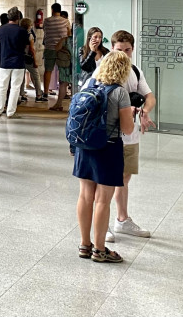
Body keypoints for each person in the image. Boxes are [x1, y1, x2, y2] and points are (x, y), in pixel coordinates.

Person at [73, 51, 134, 263]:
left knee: (85, 195)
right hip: (108, 148)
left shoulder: (89, 85)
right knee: (102, 200)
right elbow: (127, 128)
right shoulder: (120, 93)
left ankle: (84, 244)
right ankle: (100, 249)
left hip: (84, 146)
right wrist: (132, 112)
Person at [102, 30, 156, 244]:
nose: (123, 54)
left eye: (127, 50)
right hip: (110, 136)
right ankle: (102, 223)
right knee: (105, 180)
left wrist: (145, 111)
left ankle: (122, 219)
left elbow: (149, 96)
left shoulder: (135, 71)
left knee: (124, 177)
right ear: (112, 49)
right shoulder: (104, 70)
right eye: (119, 50)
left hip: (130, 136)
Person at [0, 7, 28, 119]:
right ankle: (10, 112)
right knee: (15, 88)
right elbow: (26, 45)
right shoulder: (22, 31)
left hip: (4, 60)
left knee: (2, 86)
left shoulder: (1, 29)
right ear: (18, 17)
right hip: (18, 61)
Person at [43, 3, 71, 110]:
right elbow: (68, 33)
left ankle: (45, 92)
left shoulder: (47, 21)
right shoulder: (65, 21)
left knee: (48, 70)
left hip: (49, 47)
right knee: (62, 72)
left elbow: (45, 30)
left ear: (52, 10)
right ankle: (62, 94)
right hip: (62, 50)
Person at [19, 17, 46, 104]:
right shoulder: (29, 35)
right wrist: (35, 60)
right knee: (36, 76)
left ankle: (22, 94)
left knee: (21, 77)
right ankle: (38, 95)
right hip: (28, 58)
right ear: (29, 26)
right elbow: (31, 49)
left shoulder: (19, 33)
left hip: (20, 57)